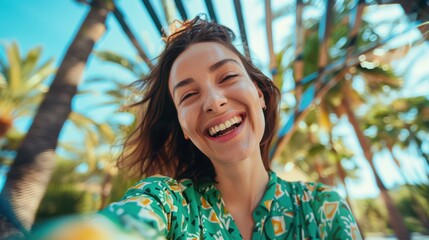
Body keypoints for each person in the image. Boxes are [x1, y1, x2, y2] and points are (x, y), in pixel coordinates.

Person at [36, 15, 361, 240]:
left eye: (228, 77)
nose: (213, 101)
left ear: (259, 94)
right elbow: (121, 227)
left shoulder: (321, 210)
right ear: (184, 129)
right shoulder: (167, 204)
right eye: (189, 95)